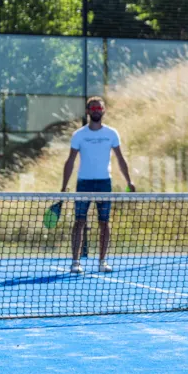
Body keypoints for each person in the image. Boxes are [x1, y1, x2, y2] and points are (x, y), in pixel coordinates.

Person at [61, 96, 135, 274]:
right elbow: (70, 160)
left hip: (104, 184)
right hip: (83, 183)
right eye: (92, 108)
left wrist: (129, 180)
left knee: (104, 223)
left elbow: (120, 158)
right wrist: (63, 186)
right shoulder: (79, 135)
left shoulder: (111, 134)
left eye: (98, 108)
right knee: (79, 222)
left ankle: (102, 261)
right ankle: (75, 262)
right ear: (87, 112)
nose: (96, 111)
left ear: (104, 110)